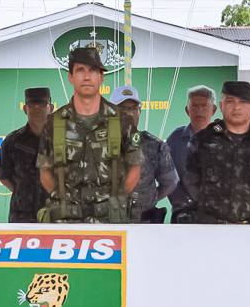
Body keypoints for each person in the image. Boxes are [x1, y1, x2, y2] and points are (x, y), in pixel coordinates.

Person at [37, 47, 141, 224]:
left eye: (93, 70)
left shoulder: (122, 121)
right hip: (66, 222)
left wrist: (116, 201)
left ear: (101, 77)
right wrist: (64, 200)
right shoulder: (54, 123)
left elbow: (135, 168)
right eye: (80, 70)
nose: (87, 76)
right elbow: (45, 170)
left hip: (110, 221)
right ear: (70, 77)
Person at [182, 81, 250, 225]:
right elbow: (190, 183)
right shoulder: (201, 141)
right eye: (230, 101)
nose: (237, 107)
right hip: (211, 229)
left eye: (243, 102)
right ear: (221, 106)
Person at [111, 85, 178, 223]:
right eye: (123, 109)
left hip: (143, 223)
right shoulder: (96, 144)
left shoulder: (154, 145)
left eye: (133, 108)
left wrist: (148, 199)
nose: (129, 113)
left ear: (139, 112)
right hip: (107, 224)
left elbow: (171, 181)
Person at [0, 87, 53, 223]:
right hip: (22, 215)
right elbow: (4, 176)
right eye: (31, 105)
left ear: (50, 108)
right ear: (25, 109)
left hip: (55, 212)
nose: (37, 108)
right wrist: (23, 193)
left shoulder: (61, 140)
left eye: (42, 104)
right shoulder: (13, 141)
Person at [166, 85, 218, 221]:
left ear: (214, 109)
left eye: (204, 105)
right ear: (187, 110)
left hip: (217, 216)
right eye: (194, 106)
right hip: (183, 215)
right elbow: (168, 178)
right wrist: (184, 205)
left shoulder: (224, 138)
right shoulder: (175, 139)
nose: (199, 110)